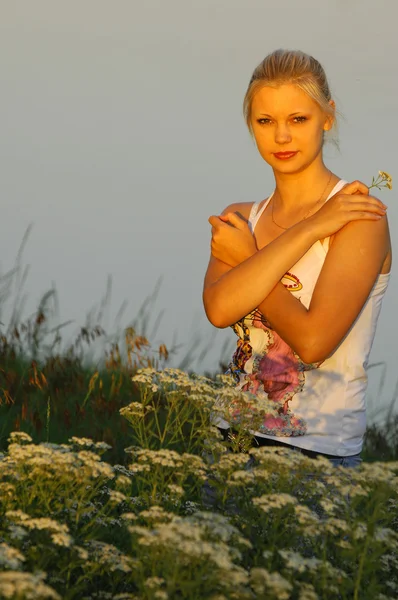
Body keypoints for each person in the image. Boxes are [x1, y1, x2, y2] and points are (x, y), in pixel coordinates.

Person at [202, 49, 392, 468]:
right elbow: (218, 310)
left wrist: (250, 258)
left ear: (328, 116)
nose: (281, 137)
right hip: (227, 441)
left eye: (298, 119)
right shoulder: (240, 218)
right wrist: (309, 229)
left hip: (316, 455)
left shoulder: (358, 218)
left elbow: (312, 344)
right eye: (265, 121)